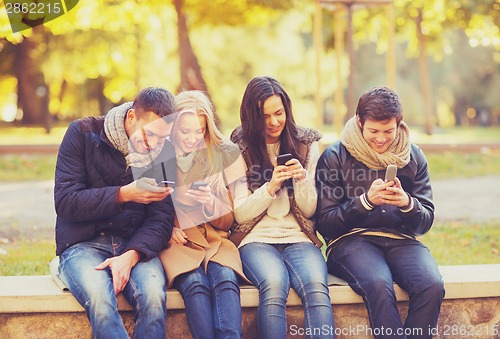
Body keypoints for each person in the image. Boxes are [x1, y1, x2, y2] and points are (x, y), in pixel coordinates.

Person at [315, 86, 444, 339]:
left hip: (402, 241)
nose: (382, 139)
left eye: (388, 131)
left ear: (399, 124)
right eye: (374, 131)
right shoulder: (334, 156)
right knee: (377, 283)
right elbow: (325, 224)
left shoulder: (413, 156)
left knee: (432, 285)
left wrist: (407, 203)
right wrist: (364, 202)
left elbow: (424, 222)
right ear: (360, 122)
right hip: (351, 241)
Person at [55, 87, 177, 339]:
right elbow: (66, 201)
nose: (153, 144)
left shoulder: (162, 153)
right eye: (150, 133)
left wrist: (132, 255)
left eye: (161, 138)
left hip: (133, 245)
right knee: (100, 299)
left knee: (153, 298)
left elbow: (161, 220)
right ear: (132, 117)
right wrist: (124, 194)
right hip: (82, 244)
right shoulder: (82, 133)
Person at [230, 76, 335, 339]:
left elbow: (310, 211)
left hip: (299, 238)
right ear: (252, 117)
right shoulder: (237, 148)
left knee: (316, 286)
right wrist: (270, 186)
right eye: (265, 116)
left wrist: (300, 181)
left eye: (279, 113)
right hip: (255, 240)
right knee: (274, 284)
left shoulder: (306, 144)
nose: (274, 122)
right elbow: (240, 213)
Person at [159, 90, 249, 339]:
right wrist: (166, 229)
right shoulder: (159, 154)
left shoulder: (221, 153)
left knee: (226, 279)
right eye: (185, 131)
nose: (192, 138)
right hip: (177, 242)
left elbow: (230, 221)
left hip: (214, 240)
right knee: (195, 285)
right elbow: (146, 209)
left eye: (199, 131)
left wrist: (211, 203)